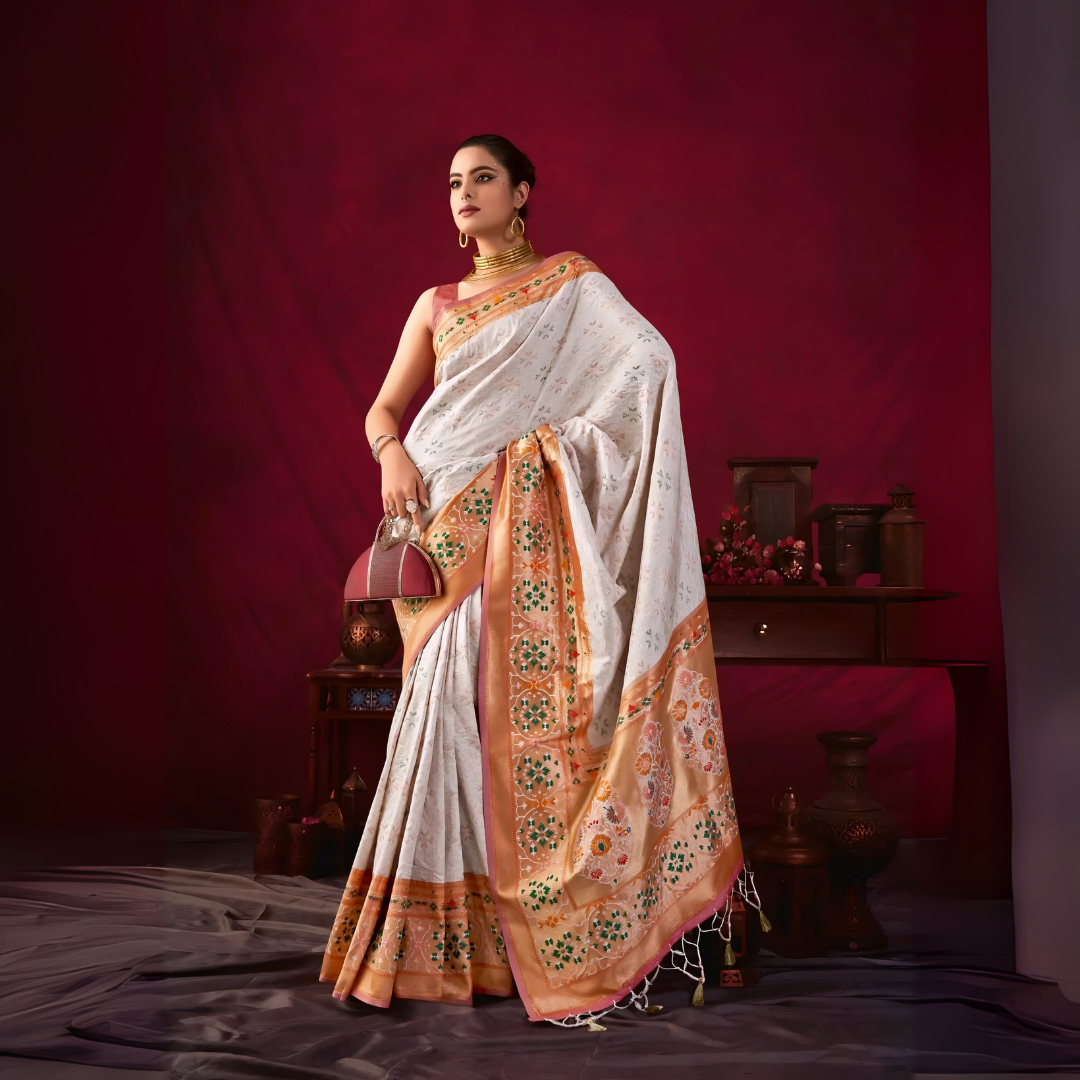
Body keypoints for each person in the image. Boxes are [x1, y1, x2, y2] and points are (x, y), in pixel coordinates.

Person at [320, 134, 749, 1025]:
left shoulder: (572, 285)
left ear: (522, 194)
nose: (463, 194)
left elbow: (647, 364)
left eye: (482, 178)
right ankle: (430, 941)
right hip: (440, 530)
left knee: (486, 715)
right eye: (452, 183)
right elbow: (383, 409)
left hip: (522, 526)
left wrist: (546, 454)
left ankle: (502, 942)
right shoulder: (436, 304)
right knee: (438, 710)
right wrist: (391, 452)